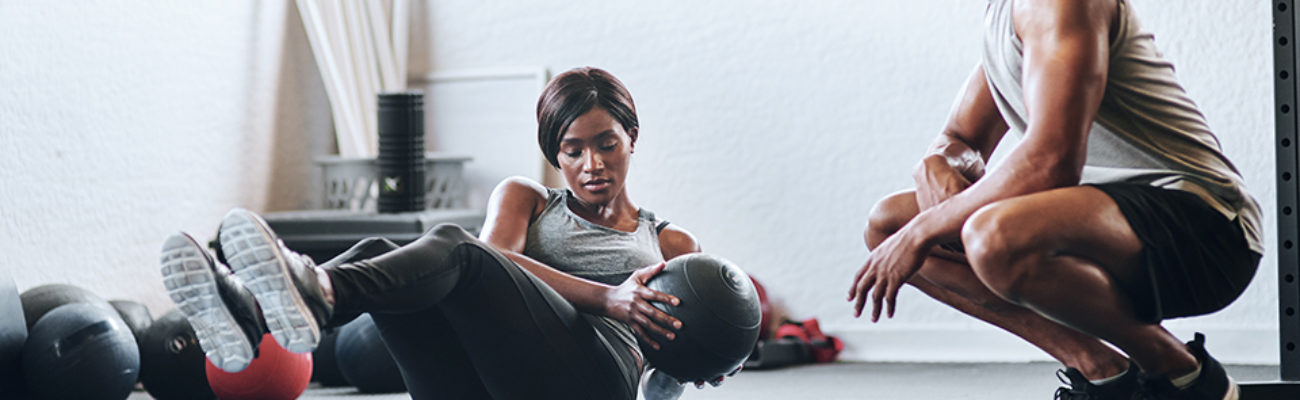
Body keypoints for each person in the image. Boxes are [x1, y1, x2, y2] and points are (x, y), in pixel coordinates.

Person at [159, 66, 731, 400]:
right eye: (572, 150)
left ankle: (307, 293)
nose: (592, 164)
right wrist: (607, 295)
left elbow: (679, 358)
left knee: (454, 245)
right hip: (484, 383)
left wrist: (710, 351)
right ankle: (257, 314)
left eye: (606, 143)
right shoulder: (525, 200)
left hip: (594, 382)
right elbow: (493, 263)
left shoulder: (671, 244)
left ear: (632, 136)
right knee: (385, 252)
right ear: (554, 156)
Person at [848, 1, 1261, 399]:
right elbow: (961, 137)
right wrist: (936, 163)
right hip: (1110, 222)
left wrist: (926, 229)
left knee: (993, 235)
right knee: (889, 225)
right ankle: (1104, 375)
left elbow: (1052, 160)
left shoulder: (1056, 4)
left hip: (1205, 229)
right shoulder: (1005, 14)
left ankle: (1182, 376)